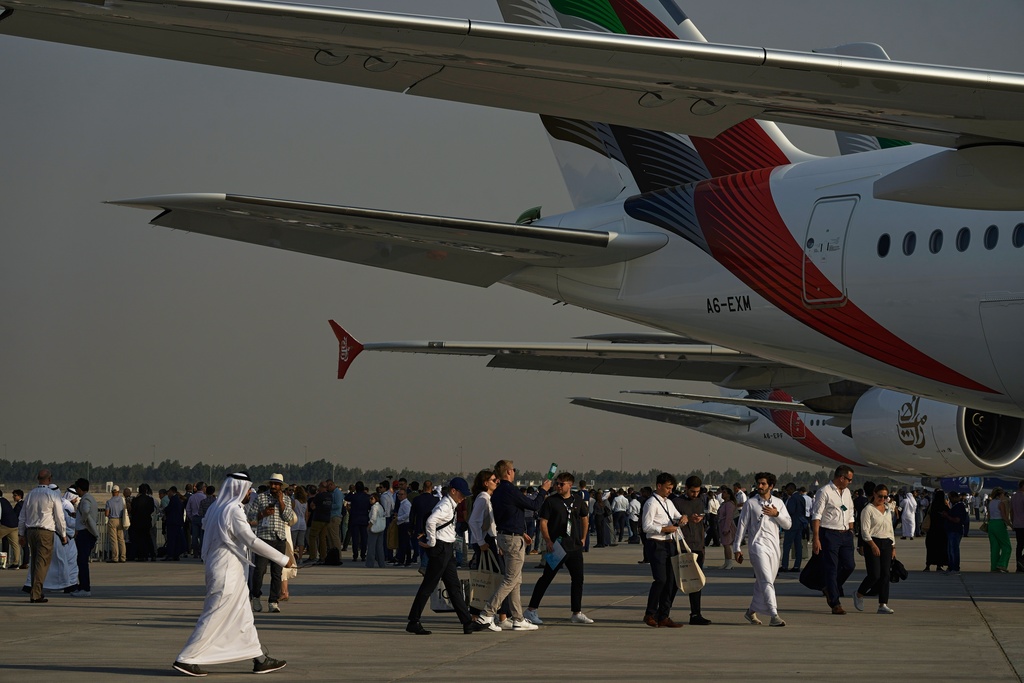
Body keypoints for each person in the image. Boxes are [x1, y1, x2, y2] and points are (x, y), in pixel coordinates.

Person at [172, 472, 293, 677]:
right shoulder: (233, 511)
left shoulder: (216, 509)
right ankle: (186, 658)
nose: (249, 495)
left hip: (227, 570)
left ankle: (259, 659)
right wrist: (282, 558)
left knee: (244, 616)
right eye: (247, 490)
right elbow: (251, 541)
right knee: (214, 615)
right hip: (226, 572)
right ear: (239, 489)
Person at [475, 459, 551, 632]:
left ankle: (518, 618)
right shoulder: (509, 489)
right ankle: (487, 613)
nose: (515, 472)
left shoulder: (499, 491)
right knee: (510, 579)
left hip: (506, 535)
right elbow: (534, 505)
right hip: (512, 539)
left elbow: (509, 513)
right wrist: (543, 490)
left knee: (515, 579)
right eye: (514, 470)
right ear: (508, 472)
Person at [405, 478, 475, 636]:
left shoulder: (451, 504)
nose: (463, 498)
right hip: (441, 549)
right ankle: (413, 621)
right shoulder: (445, 505)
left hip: (447, 549)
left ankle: (467, 622)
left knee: (454, 587)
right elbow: (431, 521)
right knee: (429, 586)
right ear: (453, 491)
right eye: (462, 495)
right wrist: (431, 541)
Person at [524, 471, 592, 625]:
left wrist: (583, 538)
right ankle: (531, 609)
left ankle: (577, 612)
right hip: (557, 547)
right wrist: (548, 541)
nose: (558, 486)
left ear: (570, 485)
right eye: (557, 483)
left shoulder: (578, 500)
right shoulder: (551, 501)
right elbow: (543, 523)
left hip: (574, 547)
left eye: (562, 484)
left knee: (578, 579)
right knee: (546, 578)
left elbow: (585, 519)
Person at [734, 472, 791, 626]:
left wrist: (776, 514)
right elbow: (742, 526)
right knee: (766, 579)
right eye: (758, 483)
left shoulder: (778, 503)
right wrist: (737, 548)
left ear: (771, 486)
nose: (760, 486)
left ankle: (751, 611)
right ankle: (774, 615)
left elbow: (787, 524)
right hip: (757, 547)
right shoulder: (750, 503)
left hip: (774, 548)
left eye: (763, 484)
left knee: (766, 581)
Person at [641, 472, 686, 628]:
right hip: (656, 543)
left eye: (671, 488)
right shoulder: (651, 503)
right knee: (660, 579)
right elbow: (646, 526)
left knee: (672, 582)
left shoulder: (668, 502)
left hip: (669, 543)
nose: (669, 491)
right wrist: (663, 529)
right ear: (659, 486)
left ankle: (664, 615)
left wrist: (685, 518)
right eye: (667, 488)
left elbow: (677, 516)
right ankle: (650, 613)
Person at [17, 469, 68, 602]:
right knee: (42, 563)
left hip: (31, 531)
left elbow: (22, 516)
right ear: (49, 479)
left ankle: (34, 590)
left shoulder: (30, 495)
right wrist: (63, 534)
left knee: (35, 561)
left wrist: (21, 534)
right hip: (45, 531)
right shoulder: (52, 495)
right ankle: (36, 593)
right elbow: (59, 517)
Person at [811, 465, 856, 615]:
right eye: (849, 479)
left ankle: (830, 588)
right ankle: (835, 603)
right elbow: (816, 516)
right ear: (841, 478)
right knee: (831, 567)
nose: (850, 482)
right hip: (829, 534)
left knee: (849, 565)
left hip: (845, 534)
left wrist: (851, 528)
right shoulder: (824, 492)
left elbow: (849, 510)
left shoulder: (847, 492)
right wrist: (816, 538)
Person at [248, 474, 296, 613]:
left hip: (279, 538)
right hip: (264, 538)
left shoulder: (286, 499)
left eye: (277, 484)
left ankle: (273, 601)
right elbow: (251, 516)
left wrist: (281, 502)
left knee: (277, 572)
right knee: (260, 570)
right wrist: (262, 514)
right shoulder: (261, 497)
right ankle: (256, 596)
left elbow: (288, 518)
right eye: (272, 484)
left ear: (281, 486)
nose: (274, 486)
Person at [673, 475, 712, 625]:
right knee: (675, 582)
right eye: (692, 491)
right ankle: (663, 612)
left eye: (697, 492)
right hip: (682, 546)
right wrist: (687, 519)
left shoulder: (700, 501)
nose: (695, 494)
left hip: (698, 545)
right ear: (686, 489)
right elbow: (673, 522)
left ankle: (696, 614)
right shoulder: (676, 502)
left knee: (696, 582)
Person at [853, 484, 896, 614]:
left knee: (885, 575)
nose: (882, 499)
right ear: (874, 494)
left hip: (887, 543)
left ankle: (882, 604)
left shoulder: (888, 509)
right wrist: (872, 545)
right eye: (880, 496)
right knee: (874, 575)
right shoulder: (868, 510)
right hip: (872, 542)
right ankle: (859, 594)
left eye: (885, 496)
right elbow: (864, 530)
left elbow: (890, 529)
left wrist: (893, 546)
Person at [72, 478, 99, 596]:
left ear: (79, 489)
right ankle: (82, 586)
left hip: (85, 533)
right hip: (87, 533)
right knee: (81, 560)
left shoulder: (85, 499)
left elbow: (86, 511)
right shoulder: (91, 498)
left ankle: (85, 588)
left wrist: (82, 522)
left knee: (82, 561)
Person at [781, 482, 805, 572]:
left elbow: (790, 510)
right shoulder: (801, 498)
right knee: (798, 546)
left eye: (787, 490)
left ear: (791, 489)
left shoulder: (792, 499)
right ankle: (797, 566)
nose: (787, 492)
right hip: (800, 524)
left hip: (791, 524)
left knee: (787, 546)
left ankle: (784, 565)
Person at [987, 487, 1012, 573]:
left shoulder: (990, 503)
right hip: (999, 524)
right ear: (1000, 494)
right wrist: (1010, 525)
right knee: (1007, 546)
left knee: (994, 547)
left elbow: (988, 516)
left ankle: (994, 566)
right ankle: (1002, 564)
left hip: (991, 524)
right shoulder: (1000, 503)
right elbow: (1004, 516)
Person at [944, 491, 969, 574]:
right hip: (951, 530)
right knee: (950, 550)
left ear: (955, 497)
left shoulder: (959, 506)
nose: (950, 500)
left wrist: (947, 516)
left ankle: (955, 567)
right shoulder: (955, 506)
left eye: (951, 498)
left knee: (954, 550)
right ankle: (951, 567)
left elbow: (957, 519)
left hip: (955, 530)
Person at [131, 484, 157, 562]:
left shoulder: (135, 500)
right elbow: (152, 509)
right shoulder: (150, 500)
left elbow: (133, 510)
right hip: (146, 521)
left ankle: (141, 556)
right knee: (148, 539)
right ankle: (152, 555)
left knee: (139, 539)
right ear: (146, 491)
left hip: (138, 521)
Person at [924, 489, 949, 572]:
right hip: (941, 531)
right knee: (940, 549)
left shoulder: (932, 506)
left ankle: (928, 565)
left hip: (932, 531)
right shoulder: (944, 507)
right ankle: (939, 565)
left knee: (930, 549)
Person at [184, 480, 206, 559]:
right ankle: (201, 553)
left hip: (194, 518)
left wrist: (191, 517)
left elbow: (188, 509)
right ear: (203, 488)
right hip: (203, 518)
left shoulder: (192, 497)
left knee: (194, 537)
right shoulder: (205, 497)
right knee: (202, 536)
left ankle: (195, 553)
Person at [105, 485, 127, 562]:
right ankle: (123, 557)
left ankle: (115, 557)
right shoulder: (122, 500)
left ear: (112, 492)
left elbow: (107, 514)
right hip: (120, 520)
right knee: (121, 539)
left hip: (112, 520)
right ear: (118, 492)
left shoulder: (109, 502)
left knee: (114, 540)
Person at [0, 488, 21, 569]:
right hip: (14, 525)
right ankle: (16, 563)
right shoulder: (5, 501)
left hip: (6, 525)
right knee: (15, 544)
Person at [718, 487, 738, 569]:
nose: (722, 494)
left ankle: (730, 562)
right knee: (724, 544)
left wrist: (726, 528)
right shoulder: (724, 503)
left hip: (727, 525)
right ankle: (726, 562)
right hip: (722, 524)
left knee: (727, 544)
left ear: (729, 494)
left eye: (724, 492)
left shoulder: (730, 504)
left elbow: (729, 517)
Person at [164, 487, 187, 561]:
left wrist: (164, 510)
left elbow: (169, 509)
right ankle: (176, 554)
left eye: (168, 492)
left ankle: (171, 554)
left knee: (171, 539)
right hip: (178, 522)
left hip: (173, 522)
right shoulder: (178, 500)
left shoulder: (173, 500)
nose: (168, 494)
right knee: (177, 539)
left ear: (171, 492)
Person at [365, 492, 387, 568]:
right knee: (379, 547)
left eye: (372, 498)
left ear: (376, 499)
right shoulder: (381, 506)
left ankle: (370, 563)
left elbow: (373, 518)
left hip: (374, 528)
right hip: (381, 528)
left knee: (371, 547)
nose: (370, 500)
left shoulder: (374, 507)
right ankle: (381, 563)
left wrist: (369, 526)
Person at [1011, 480, 1024, 573]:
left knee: (1019, 545)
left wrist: (1013, 522)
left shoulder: (1014, 497)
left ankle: (1018, 566)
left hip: (1017, 524)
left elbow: (1011, 511)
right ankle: (1022, 562)